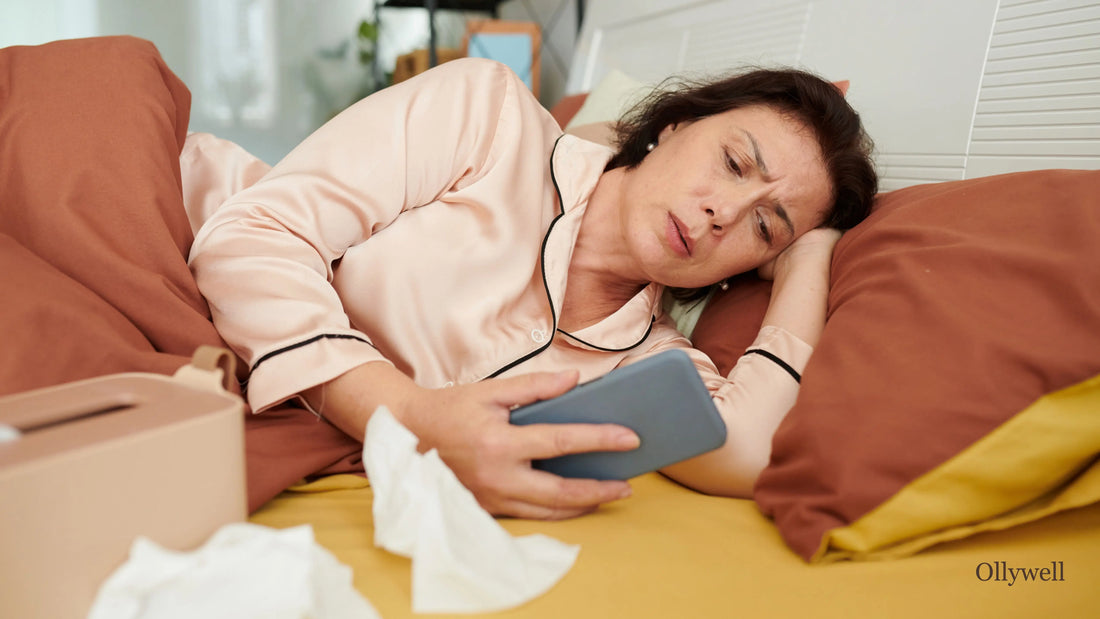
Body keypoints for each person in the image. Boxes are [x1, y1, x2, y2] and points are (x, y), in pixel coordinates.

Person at [189, 57, 877, 520]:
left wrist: (809, 259)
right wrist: (409, 416)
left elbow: (748, 448)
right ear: (675, 124)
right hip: (168, 246)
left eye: (765, 225)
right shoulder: (488, 117)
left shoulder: (647, 363)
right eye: (733, 163)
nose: (724, 213)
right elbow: (252, 234)